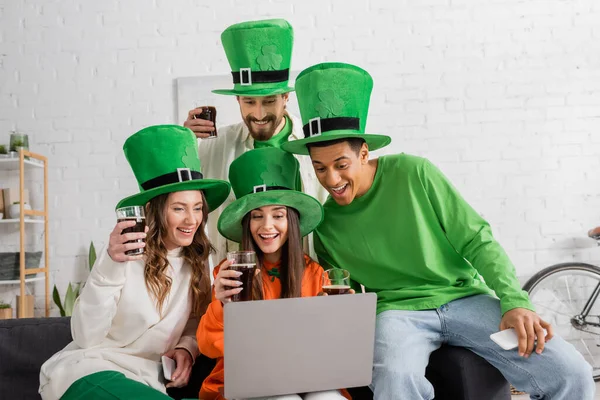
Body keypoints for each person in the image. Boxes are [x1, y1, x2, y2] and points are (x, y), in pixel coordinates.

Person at [281, 62, 595, 399]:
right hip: (395, 312)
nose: (331, 180)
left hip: (464, 299)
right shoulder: (326, 225)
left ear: (364, 153)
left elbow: (477, 239)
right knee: (396, 378)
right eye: (320, 169)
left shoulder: (414, 173)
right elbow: (346, 296)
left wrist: (515, 302)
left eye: (341, 165)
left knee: (571, 372)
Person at [39, 125, 231, 400]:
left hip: (147, 383)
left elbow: (194, 319)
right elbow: (86, 337)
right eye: (179, 208)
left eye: (197, 207)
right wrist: (110, 264)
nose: (192, 220)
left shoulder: (196, 259)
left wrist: (188, 347)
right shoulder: (123, 255)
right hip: (90, 372)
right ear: (155, 209)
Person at [196, 147, 349, 400]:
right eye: (257, 216)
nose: (267, 226)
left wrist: (344, 317)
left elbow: (329, 345)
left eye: (278, 215)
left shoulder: (314, 273)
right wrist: (222, 305)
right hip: (247, 378)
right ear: (247, 223)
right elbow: (207, 344)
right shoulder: (230, 274)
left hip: (307, 375)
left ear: (292, 221)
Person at [183, 19, 328, 267]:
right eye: (249, 102)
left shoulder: (314, 143)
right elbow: (173, 198)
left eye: (269, 101)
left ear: (285, 97)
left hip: (307, 276)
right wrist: (183, 141)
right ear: (238, 100)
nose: (259, 114)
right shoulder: (215, 146)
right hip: (238, 278)